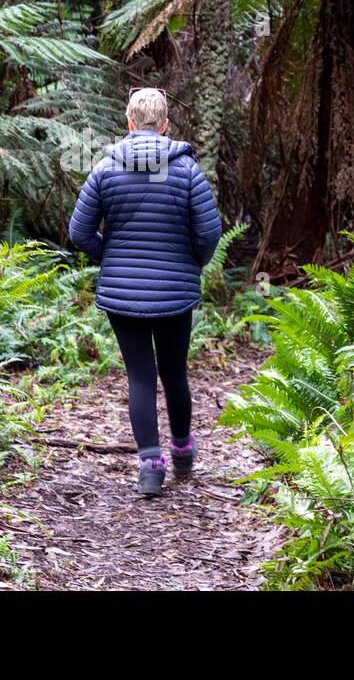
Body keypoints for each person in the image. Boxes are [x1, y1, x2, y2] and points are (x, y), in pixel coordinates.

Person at [68, 87, 223, 496]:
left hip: (123, 297)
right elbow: (209, 232)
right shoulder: (187, 170)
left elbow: (79, 232)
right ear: (166, 124)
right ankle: (184, 452)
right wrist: (192, 263)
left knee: (140, 376)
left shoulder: (104, 169)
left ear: (130, 123)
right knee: (174, 372)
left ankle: (151, 469)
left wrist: (111, 258)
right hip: (176, 294)